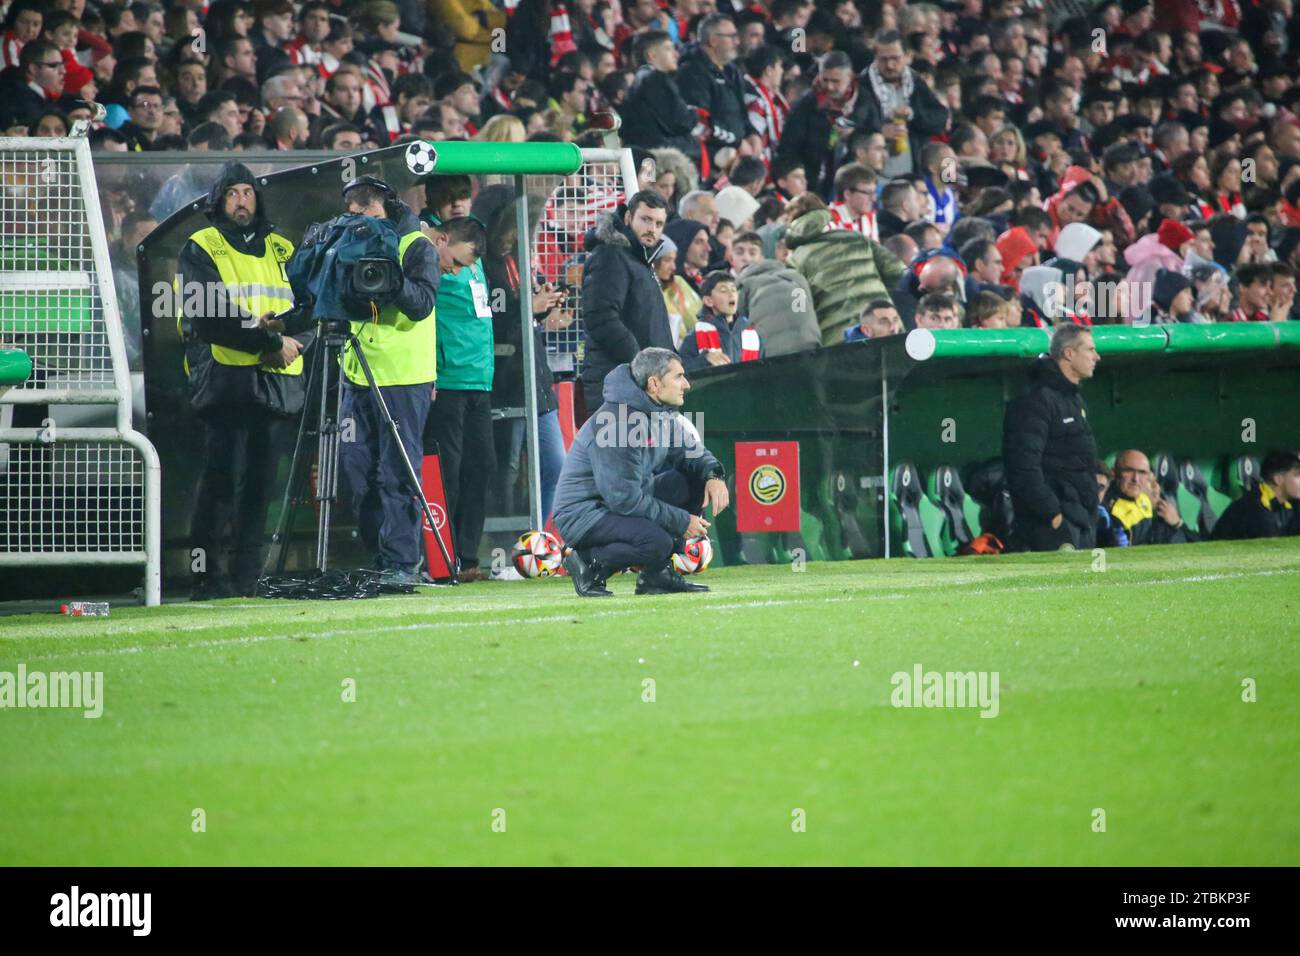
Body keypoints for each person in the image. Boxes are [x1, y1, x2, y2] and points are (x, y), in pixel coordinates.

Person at [178, 162, 310, 598]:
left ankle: (248, 578)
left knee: (261, 486)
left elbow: (312, 305)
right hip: (225, 381)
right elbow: (207, 315)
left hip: (277, 383)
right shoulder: (202, 245)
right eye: (232, 192)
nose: (241, 200)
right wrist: (268, 344)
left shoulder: (282, 248)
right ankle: (207, 578)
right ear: (219, 200)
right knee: (221, 480)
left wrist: (296, 341)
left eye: (248, 192)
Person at [335, 176, 445, 587]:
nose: (363, 224)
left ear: (388, 210)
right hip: (356, 373)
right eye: (355, 216)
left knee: (397, 474)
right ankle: (377, 561)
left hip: (403, 377)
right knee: (359, 474)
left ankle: (402, 564)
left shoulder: (415, 246)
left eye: (370, 215)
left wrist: (390, 277)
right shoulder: (344, 246)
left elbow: (421, 305)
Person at [553, 348, 730, 597]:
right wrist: (681, 521)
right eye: (678, 377)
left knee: (695, 480)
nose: (687, 384)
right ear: (654, 384)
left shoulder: (659, 412)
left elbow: (691, 453)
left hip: (617, 502)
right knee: (656, 542)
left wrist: (714, 476)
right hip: (584, 513)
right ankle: (587, 562)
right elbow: (623, 499)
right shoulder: (617, 423)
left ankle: (657, 576)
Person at [419, 176, 496, 581]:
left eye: (463, 197)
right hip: (446, 379)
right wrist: (429, 370)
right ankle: (439, 558)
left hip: (479, 378)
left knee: (480, 466)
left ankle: (467, 558)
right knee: (445, 469)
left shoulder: (473, 248)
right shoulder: (427, 247)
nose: (458, 204)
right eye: (449, 199)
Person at [1001, 323, 1101, 552]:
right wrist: (1052, 514)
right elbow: (1023, 466)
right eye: (1090, 350)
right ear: (1068, 353)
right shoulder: (1037, 400)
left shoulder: (1074, 399)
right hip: (1052, 525)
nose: (1097, 357)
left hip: (1081, 518)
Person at [578, 190, 676, 418]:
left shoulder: (640, 261)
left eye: (658, 223)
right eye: (646, 219)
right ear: (628, 218)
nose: (652, 228)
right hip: (619, 385)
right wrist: (643, 364)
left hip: (643, 384)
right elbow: (601, 318)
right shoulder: (611, 255)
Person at [1105, 449, 1196, 545]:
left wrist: (1178, 523)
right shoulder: (1109, 511)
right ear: (1114, 473)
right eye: (1129, 471)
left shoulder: (1148, 501)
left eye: (1142, 473)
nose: (1135, 479)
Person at [1212, 450, 1300, 540]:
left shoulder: (1287, 505)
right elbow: (1275, 548)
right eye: (1297, 475)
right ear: (1278, 479)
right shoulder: (1255, 506)